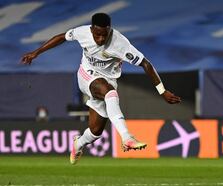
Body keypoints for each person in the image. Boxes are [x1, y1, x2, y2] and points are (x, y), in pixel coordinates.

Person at [21, 13, 181, 164]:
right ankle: (127, 138)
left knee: (96, 131)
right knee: (110, 93)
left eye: (105, 34)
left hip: (109, 80)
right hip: (86, 75)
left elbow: (146, 64)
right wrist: (36, 53)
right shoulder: (82, 32)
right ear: (92, 29)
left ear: (109, 30)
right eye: (97, 34)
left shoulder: (120, 43)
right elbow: (62, 37)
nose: (101, 39)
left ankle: (79, 143)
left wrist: (162, 90)